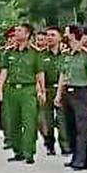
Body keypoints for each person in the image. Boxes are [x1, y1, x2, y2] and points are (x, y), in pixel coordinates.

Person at [0, 23, 44, 165]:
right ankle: (18, 151)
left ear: (27, 34)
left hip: (28, 89)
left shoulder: (35, 53)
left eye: (19, 31)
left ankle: (29, 152)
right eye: (15, 31)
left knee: (29, 122)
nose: (16, 33)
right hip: (11, 89)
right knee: (12, 121)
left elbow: (39, 73)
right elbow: (4, 71)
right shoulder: (8, 52)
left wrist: (41, 90)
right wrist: (0, 88)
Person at [55, 25, 87, 171]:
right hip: (68, 91)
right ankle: (74, 156)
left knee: (81, 127)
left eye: (67, 32)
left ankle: (81, 160)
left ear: (73, 35)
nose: (65, 35)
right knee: (70, 127)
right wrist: (58, 95)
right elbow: (62, 74)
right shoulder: (66, 54)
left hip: (81, 92)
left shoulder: (86, 55)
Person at [36, 27, 65, 156]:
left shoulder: (65, 55)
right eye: (47, 35)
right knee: (46, 120)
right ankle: (49, 144)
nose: (49, 37)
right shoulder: (41, 55)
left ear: (60, 38)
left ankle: (66, 146)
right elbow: (37, 74)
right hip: (46, 89)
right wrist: (40, 91)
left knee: (63, 120)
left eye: (53, 35)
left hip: (62, 90)